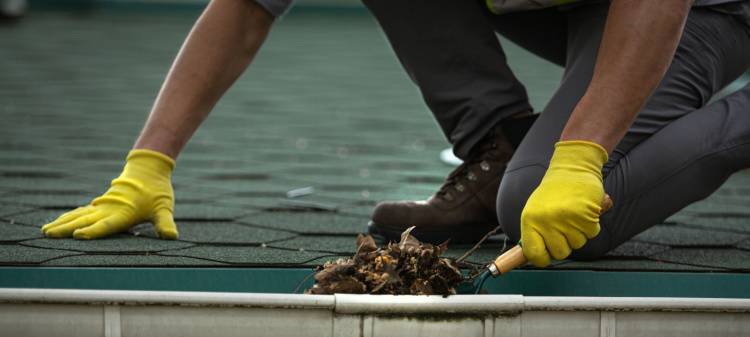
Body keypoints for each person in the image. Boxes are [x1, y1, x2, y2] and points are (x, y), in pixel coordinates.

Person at [42, 0, 750, 268]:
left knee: (545, 204)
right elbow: (246, 7)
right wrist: (148, 163)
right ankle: (497, 142)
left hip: (689, 12)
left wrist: (581, 156)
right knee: (521, 185)